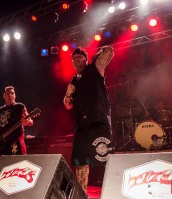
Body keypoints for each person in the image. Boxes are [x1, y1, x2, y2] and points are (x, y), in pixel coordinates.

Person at [63, 46, 114, 192]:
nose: (76, 59)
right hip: (82, 127)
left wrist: (96, 56)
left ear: (86, 59)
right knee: (81, 164)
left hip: (99, 123)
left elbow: (109, 51)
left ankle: (113, 192)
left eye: (79, 57)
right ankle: (82, 194)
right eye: (73, 58)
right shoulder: (74, 81)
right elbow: (67, 106)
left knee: (106, 160)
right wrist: (68, 93)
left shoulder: (95, 68)